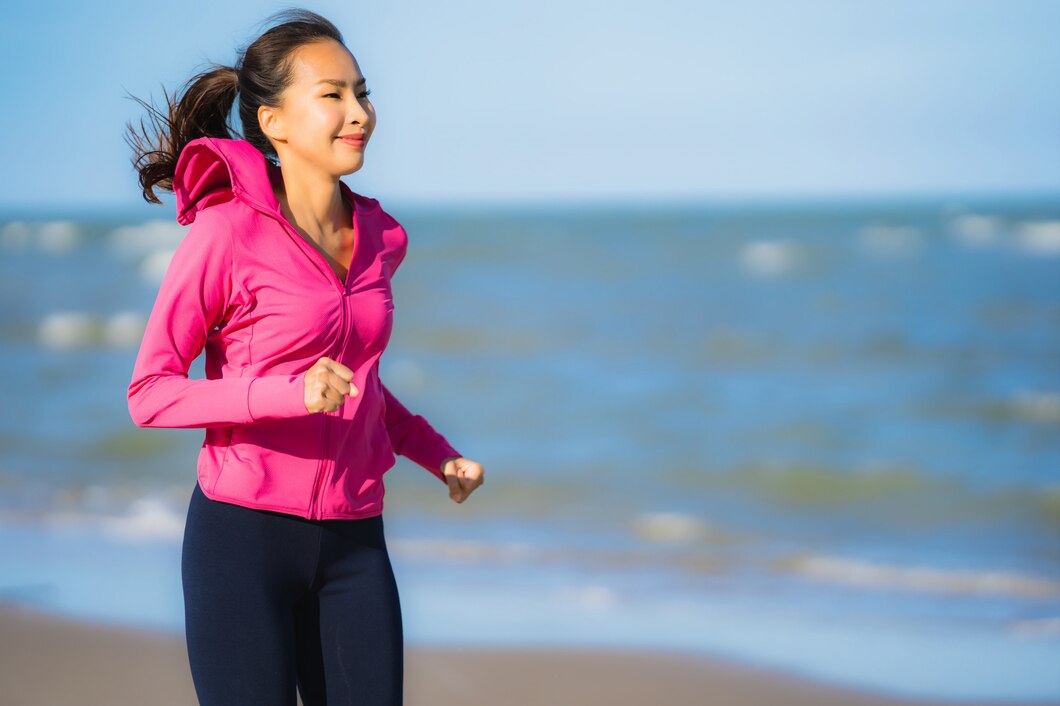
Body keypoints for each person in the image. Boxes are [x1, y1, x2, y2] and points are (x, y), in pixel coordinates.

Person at [123, 8, 484, 705]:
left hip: (355, 542)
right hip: (242, 541)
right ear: (274, 122)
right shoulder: (225, 235)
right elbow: (151, 393)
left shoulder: (383, 238)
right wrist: (288, 393)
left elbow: (358, 387)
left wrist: (439, 455)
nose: (359, 113)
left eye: (362, 92)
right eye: (332, 95)